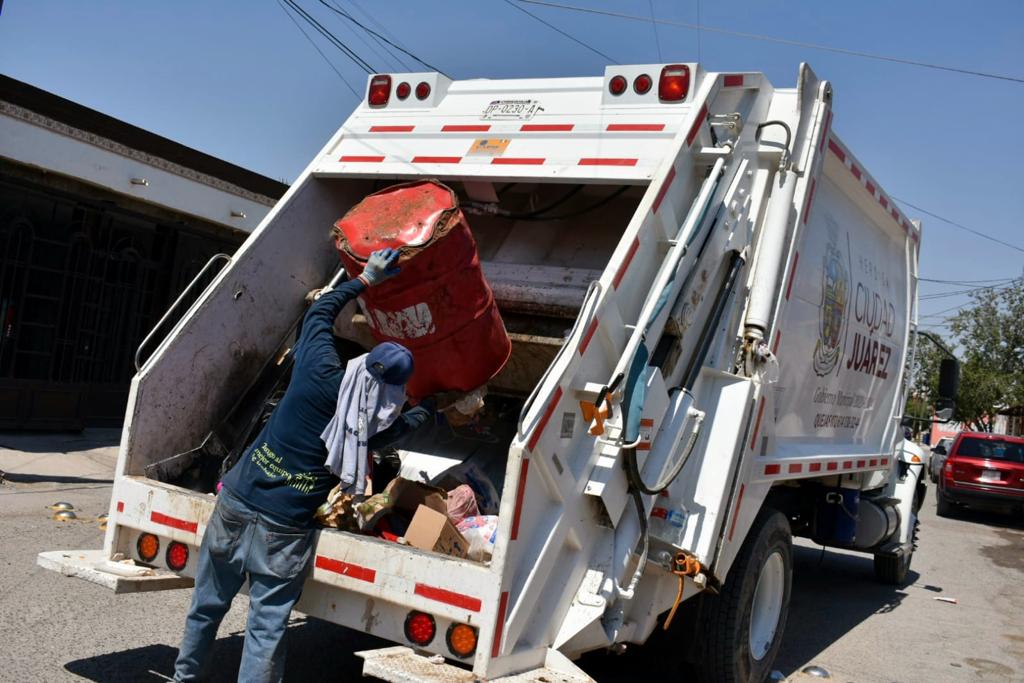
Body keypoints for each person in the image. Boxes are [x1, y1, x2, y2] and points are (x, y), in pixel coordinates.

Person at [173, 248, 433, 683]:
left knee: (205, 607)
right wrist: (440, 405)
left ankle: (185, 679)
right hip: (285, 530)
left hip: (236, 502)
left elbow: (319, 313)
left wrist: (365, 280)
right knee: (265, 630)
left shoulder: (316, 368)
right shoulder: (368, 430)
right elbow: (410, 424)